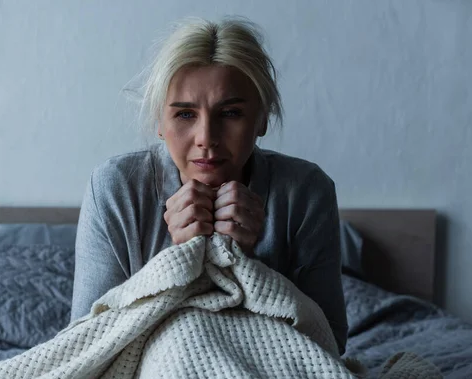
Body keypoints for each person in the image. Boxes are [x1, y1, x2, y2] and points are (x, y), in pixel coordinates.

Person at [70, 17, 348, 355]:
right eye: (185, 115)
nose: (206, 139)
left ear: (261, 119)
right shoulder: (116, 189)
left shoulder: (304, 192)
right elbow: (83, 345)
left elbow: (330, 344)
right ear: (160, 122)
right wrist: (175, 264)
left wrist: (246, 265)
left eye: (230, 113)